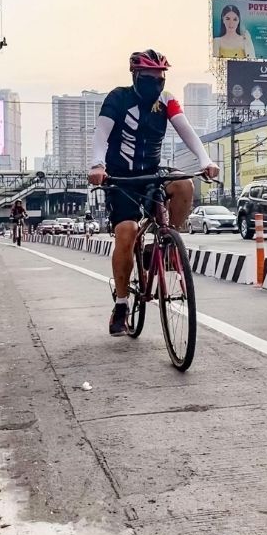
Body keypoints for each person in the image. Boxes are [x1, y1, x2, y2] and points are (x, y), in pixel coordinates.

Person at [88, 49, 220, 337]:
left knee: (184, 184)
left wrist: (205, 161)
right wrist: (97, 165)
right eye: (149, 77)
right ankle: (122, 305)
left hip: (152, 171)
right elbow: (101, 134)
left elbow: (187, 132)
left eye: (160, 77)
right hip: (121, 178)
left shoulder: (166, 100)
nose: (156, 82)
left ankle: (166, 240)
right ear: (135, 76)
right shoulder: (118, 98)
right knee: (126, 232)